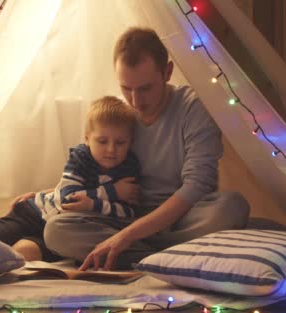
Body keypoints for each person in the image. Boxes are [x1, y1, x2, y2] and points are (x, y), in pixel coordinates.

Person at [43, 27, 250, 270]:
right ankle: (165, 260)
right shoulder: (121, 115)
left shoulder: (193, 107)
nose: (135, 100)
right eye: (126, 88)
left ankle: (138, 256)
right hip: (127, 215)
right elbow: (93, 166)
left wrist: (126, 237)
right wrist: (49, 191)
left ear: (167, 72)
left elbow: (198, 185)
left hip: (182, 219)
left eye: (145, 88)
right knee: (57, 230)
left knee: (231, 206)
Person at [0, 96, 140, 261]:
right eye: (102, 141)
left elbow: (127, 213)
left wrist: (93, 204)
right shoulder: (82, 157)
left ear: (130, 143)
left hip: (59, 230)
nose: (111, 149)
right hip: (35, 213)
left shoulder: (129, 167)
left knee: (24, 253)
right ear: (87, 139)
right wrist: (112, 192)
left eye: (120, 143)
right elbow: (67, 199)